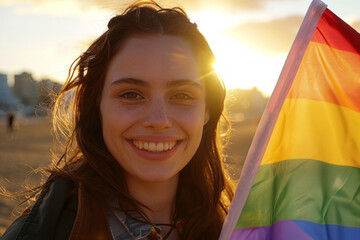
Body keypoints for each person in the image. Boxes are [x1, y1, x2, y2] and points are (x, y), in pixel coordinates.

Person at [0, 0, 233, 239]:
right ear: (96, 107)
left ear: (207, 110)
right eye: (131, 94)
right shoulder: (39, 234)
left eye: (182, 95)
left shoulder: (240, 223)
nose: (159, 120)